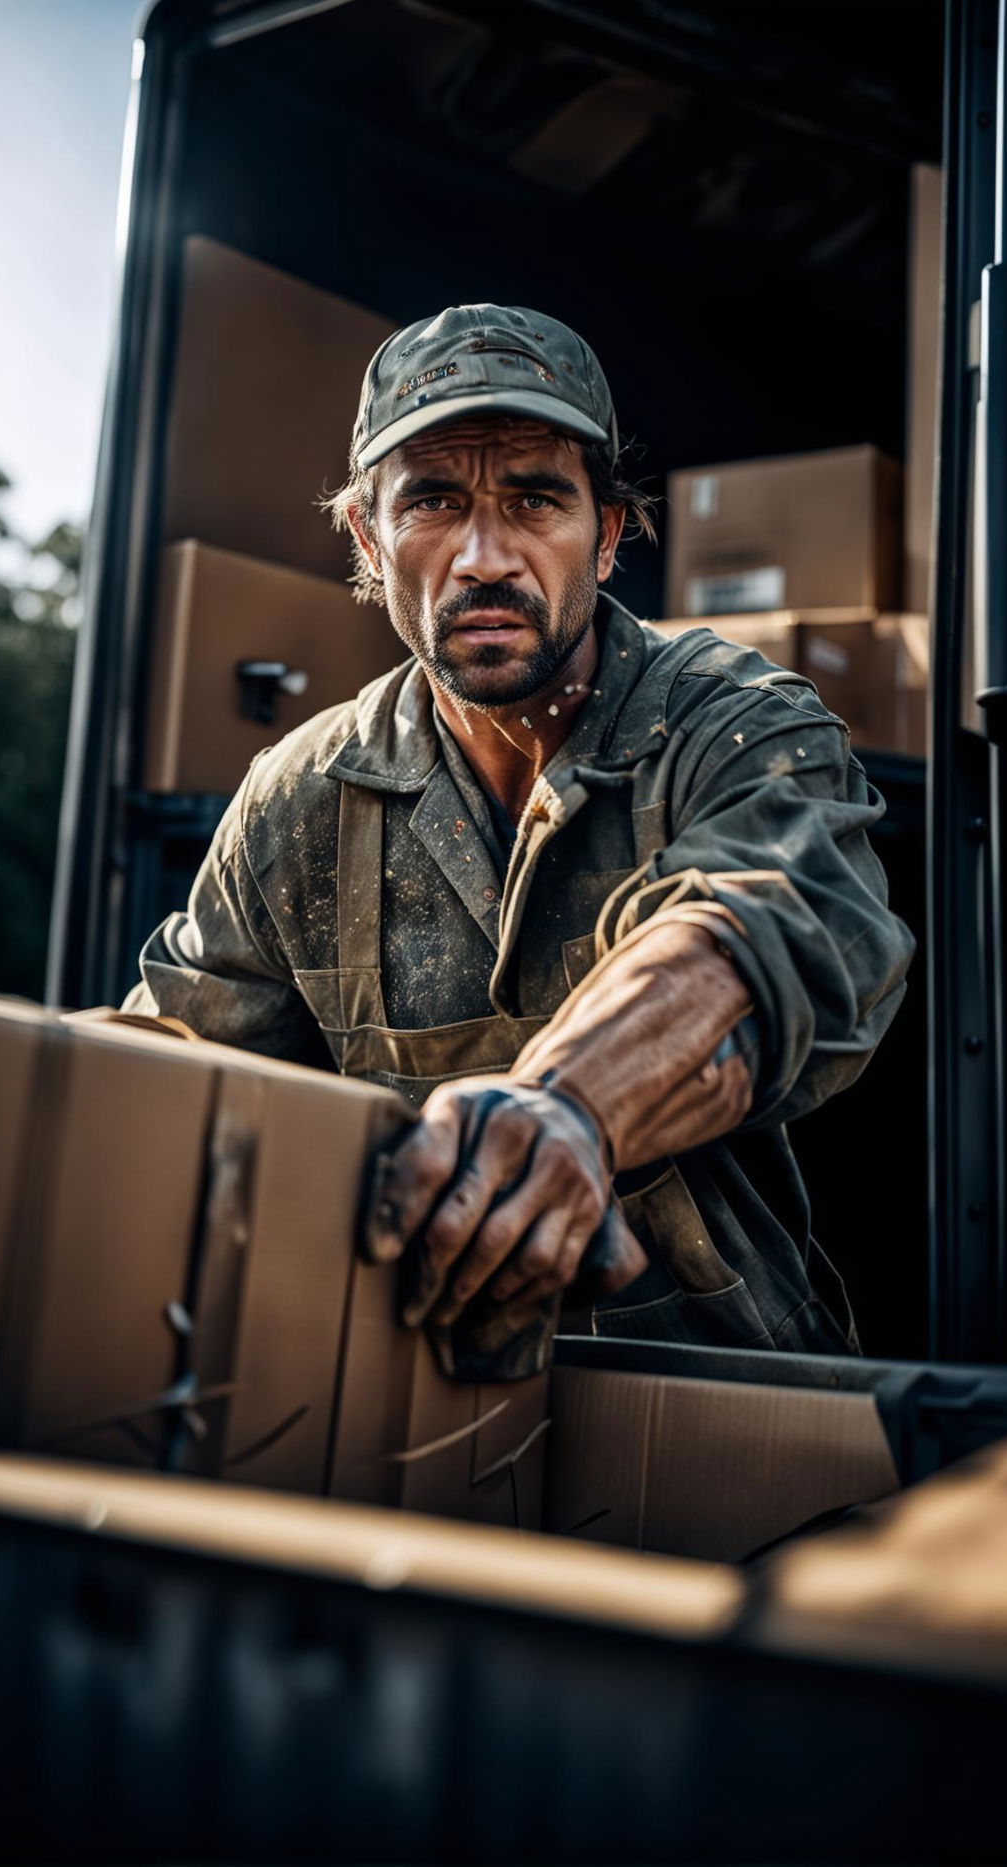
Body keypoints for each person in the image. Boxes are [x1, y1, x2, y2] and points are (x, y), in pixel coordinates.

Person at [125, 303, 914, 1359]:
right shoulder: (297, 798)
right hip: (398, 1397)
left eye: (536, 499)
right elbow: (172, 1071)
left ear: (608, 533)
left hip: (723, 1387)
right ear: (369, 535)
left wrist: (569, 1105)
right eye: (435, 502)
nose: (483, 556)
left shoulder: (738, 721)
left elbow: (770, 928)